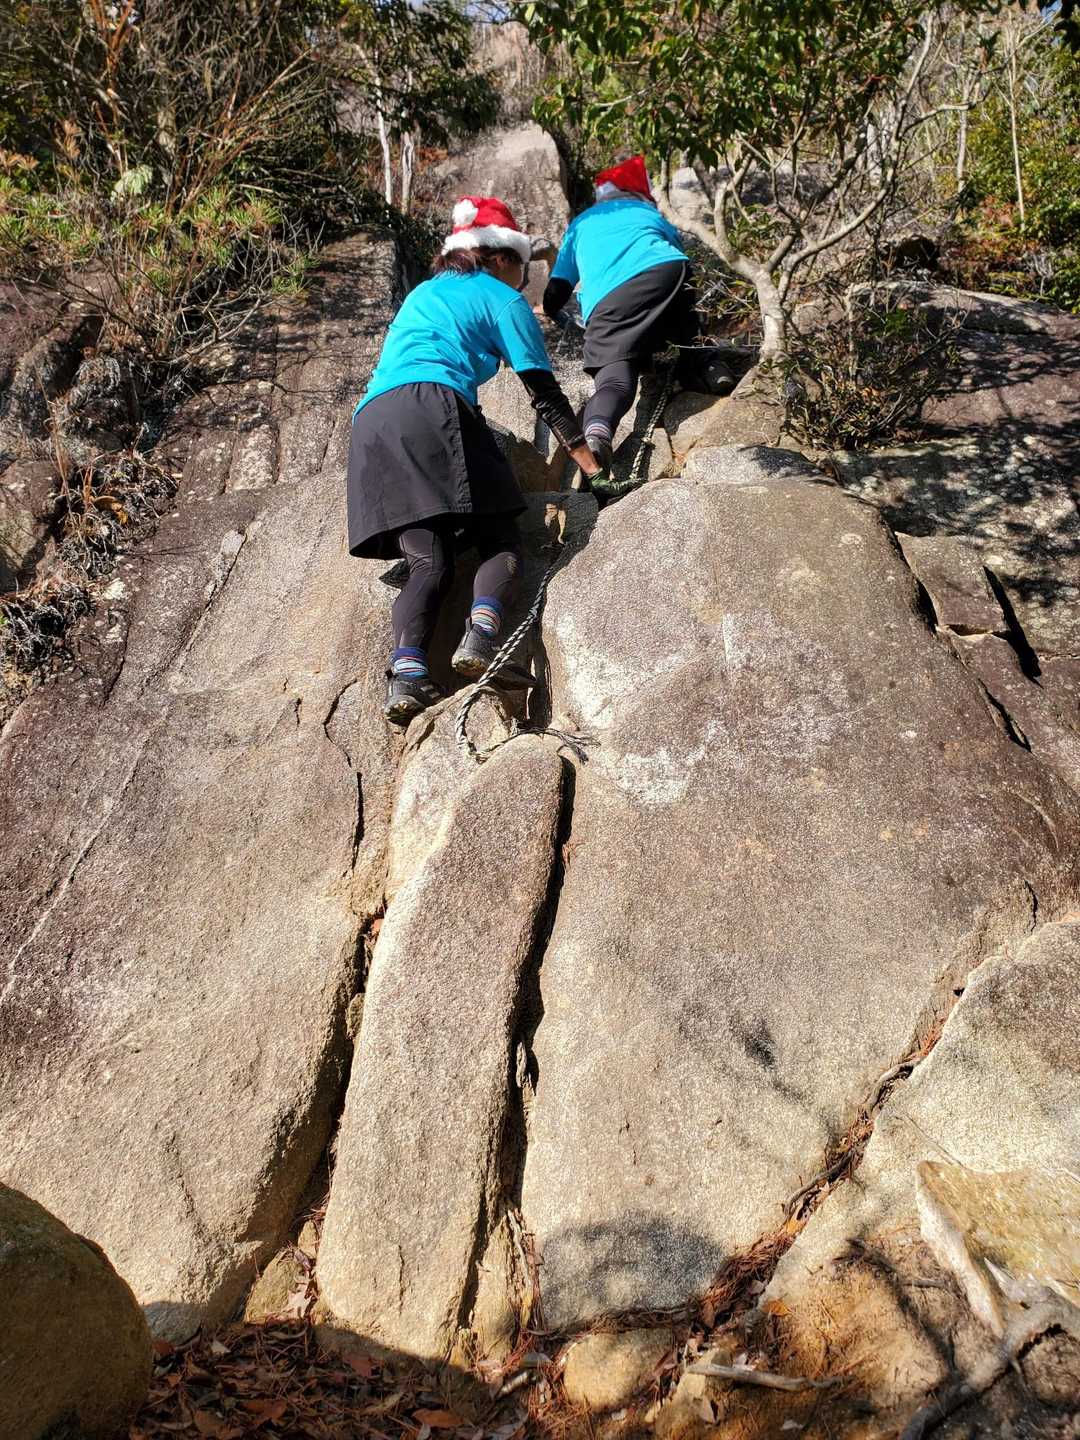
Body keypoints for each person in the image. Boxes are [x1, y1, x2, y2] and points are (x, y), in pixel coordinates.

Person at [347, 195, 601, 726]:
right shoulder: (501, 298)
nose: (523, 282)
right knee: (501, 538)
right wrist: (593, 470)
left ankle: (407, 675)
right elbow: (544, 394)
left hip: (372, 424)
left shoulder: (423, 293)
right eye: (522, 269)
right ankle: (482, 636)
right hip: (432, 406)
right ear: (502, 258)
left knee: (428, 561)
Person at [542, 155, 700, 468]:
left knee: (614, 381)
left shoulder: (581, 223)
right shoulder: (648, 212)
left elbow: (558, 287)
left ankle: (598, 432)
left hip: (611, 301)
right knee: (687, 326)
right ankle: (707, 366)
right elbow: (678, 248)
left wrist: (550, 310)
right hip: (669, 272)